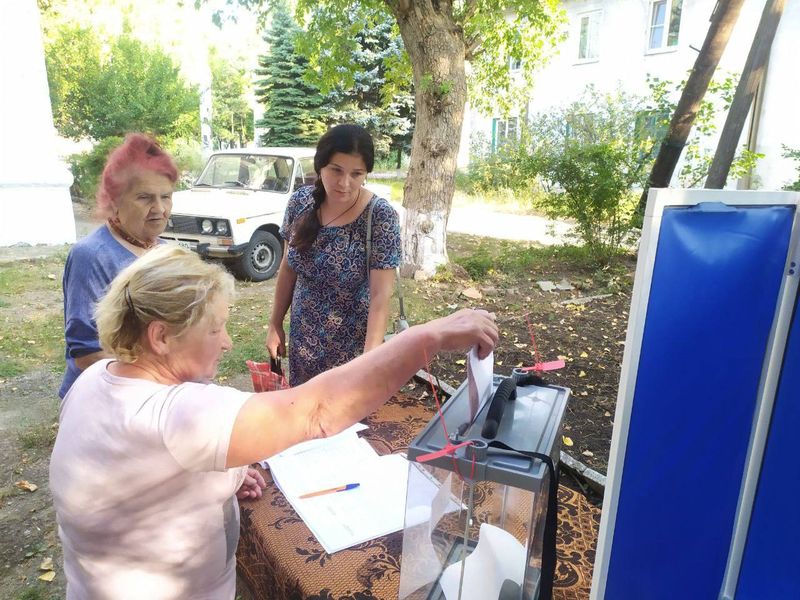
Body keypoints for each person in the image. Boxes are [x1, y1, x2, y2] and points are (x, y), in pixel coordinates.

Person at [49, 245, 498, 599]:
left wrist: (220, 477)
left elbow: (147, 478)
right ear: (161, 336)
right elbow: (317, 410)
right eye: (214, 329)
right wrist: (428, 336)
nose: (226, 343)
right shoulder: (178, 414)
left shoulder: (94, 380)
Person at [266, 124, 401, 385]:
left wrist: (368, 362)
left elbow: (380, 297)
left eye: (357, 174)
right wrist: (275, 324)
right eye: (336, 170)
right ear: (320, 166)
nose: (344, 183)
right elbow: (288, 268)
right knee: (301, 419)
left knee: (346, 425)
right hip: (303, 342)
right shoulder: (300, 202)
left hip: (352, 352)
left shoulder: (380, 217)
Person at [59, 133, 177, 399]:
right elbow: (86, 353)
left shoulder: (167, 251)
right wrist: (157, 374)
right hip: (104, 399)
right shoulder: (91, 256)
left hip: (155, 391)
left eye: (166, 197)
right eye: (145, 198)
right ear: (114, 201)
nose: (159, 208)